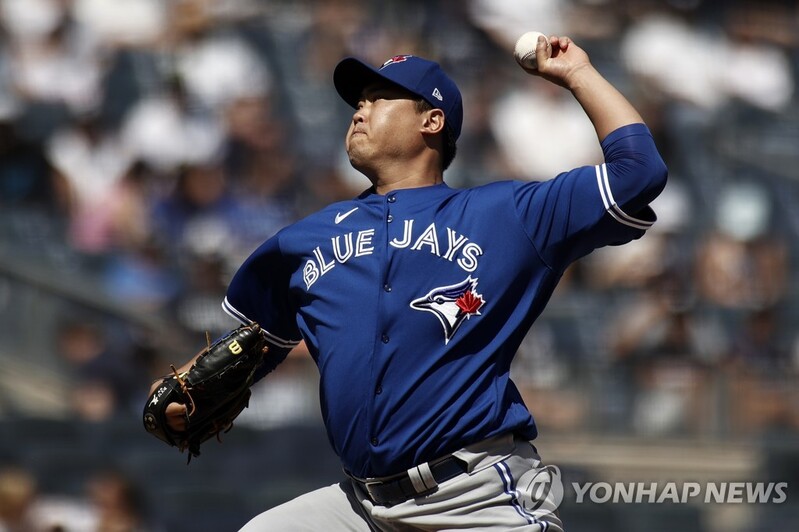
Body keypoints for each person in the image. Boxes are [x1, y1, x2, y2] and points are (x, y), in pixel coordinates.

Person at [155, 34, 667, 531]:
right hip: (361, 506)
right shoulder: (306, 238)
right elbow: (252, 347)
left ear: (432, 120)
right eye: (358, 102)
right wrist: (184, 387)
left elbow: (639, 172)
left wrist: (577, 73)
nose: (359, 111)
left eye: (379, 98)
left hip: (474, 496)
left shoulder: (506, 215)